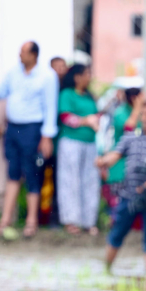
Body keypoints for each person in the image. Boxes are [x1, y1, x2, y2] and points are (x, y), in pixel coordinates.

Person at [0, 41, 58, 238]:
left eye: (23, 52)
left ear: (34, 55)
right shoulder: (13, 73)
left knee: (32, 173)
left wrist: (47, 136)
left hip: (33, 128)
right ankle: (6, 219)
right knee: (13, 172)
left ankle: (31, 221)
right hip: (13, 128)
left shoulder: (47, 76)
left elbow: (50, 107)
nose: (19, 55)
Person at [96, 102, 146, 274]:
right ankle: (106, 270)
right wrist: (102, 161)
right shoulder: (130, 137)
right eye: (143, 114)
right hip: (129, 195)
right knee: (117, 233)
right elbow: (115, 156)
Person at [56, 63, 102, 235]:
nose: (89, 77)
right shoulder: (67, 94)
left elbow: (96, 115)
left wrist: (95, 120)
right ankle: (71, 220)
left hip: (90, 143)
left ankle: (89, 221)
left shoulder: (89, 97)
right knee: (70, 180)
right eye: (87, 74)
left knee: (90, 181)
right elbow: (65, 116)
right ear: (77, 77)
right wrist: (85, 121)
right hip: (71, 142)